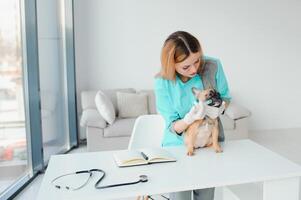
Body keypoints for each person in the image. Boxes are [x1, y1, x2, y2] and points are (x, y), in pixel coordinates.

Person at [154, 31, 231, 200]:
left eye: (197, 61)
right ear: (171, 64)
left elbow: (225, 96)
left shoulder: (213, 66)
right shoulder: (162, 82)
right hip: (178, 146)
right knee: (180, 195)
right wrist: (189, 119)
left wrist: (219, 108)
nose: (195, 69)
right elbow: (172, 126)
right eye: (186, 66)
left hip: (208, 143)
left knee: (205, 195)